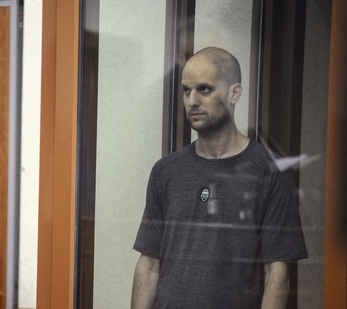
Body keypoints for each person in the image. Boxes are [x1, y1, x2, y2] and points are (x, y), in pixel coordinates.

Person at [131, 47, 307, 309]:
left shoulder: (271, 171)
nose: (192, 101)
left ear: (234, 93)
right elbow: (149, 265)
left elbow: (277, 274)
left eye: (204, 89)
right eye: (186, 90)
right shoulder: (166, 171)